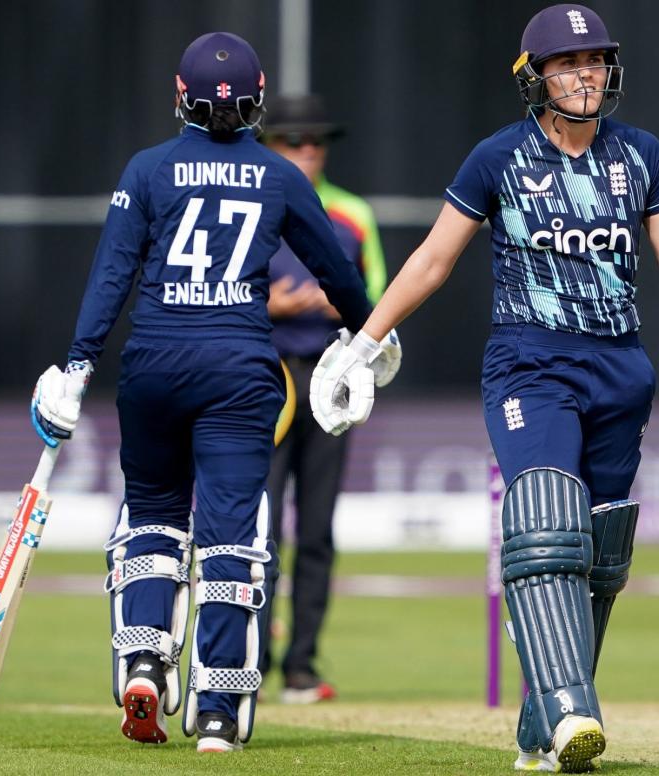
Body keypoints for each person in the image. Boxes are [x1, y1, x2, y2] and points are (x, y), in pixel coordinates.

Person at [309, 4, 659, 772]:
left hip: (622, 367)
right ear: (535, 78)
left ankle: (541, 727)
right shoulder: (497, 159)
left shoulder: (641, 155)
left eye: (594, 60)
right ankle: (571, 708)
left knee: (600, 552)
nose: (584, 74)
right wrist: (363, 346)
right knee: (546, 520)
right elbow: (433, 259)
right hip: (531, 362)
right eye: (567, 62)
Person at [28, 31, 397, 753]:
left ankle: (141, 660)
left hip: (154, 367)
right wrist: (371, 341)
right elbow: (337, 273)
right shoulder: (281, 175)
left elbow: (112, 277)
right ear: (256, 99)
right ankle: (220, 709)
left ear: (180, 94)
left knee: (154, 520)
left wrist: (75, 366)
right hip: (237, 372)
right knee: (232, 534)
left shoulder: (147, 169)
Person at [260, 93, 388, 703]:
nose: (307, 152)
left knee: (316, 528)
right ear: (268, 145)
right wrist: (274, 307)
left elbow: (381, 298)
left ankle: (301, 667)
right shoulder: (251, 200)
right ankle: (246, 661)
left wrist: (340, 304)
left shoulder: (353, 214)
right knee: (256, 526)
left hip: (331, 377)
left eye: (316, 142)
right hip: (264, 377)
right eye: (293, 141)